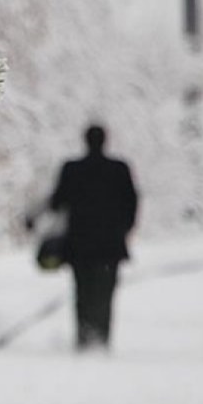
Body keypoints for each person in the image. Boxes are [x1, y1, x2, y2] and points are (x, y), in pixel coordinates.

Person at [35, 124, 138, 351]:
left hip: (80, 244)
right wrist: (123, 230)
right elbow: (131, 203)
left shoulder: (72, 169)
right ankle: (102, 336)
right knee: (106, 291)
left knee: (82, 291)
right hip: (110, 245)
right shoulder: (119, 169)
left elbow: (57, 201)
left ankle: (84, 336)